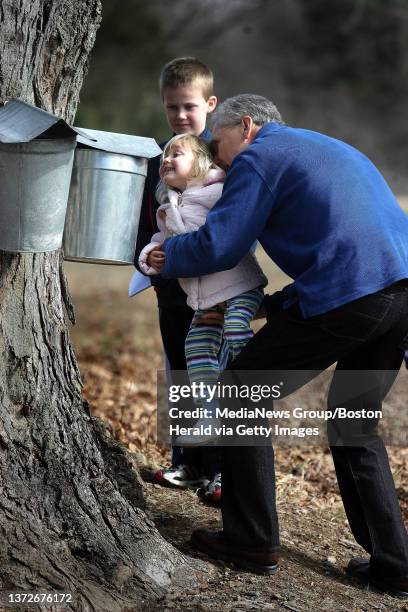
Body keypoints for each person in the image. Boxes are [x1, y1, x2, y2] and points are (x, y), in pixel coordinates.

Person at [153, 94, 408, 597]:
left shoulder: (257, 156)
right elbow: (345, 241)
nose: (217, 157)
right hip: (399, 289)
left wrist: (165, 253)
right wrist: (271, 304)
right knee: (351, 421)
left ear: (246, 127)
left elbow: (220, 245)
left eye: (218, 143)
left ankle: (250, 539)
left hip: (353, 293)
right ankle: (395, 565)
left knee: (238, 393)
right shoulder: (326, 148)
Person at [132, 57, 223, 500]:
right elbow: (145, 218)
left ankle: (222, 469)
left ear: (210, 103)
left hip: (214, 292)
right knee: (180, 375)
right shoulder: (158, 159)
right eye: (172, 108)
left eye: (189, 106)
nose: (181, 116)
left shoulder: (222, 157)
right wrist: (144, 261)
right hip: (171, 291)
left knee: (215, 376)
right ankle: (186, 462)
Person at [138, 133, 267, 447]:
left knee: (236, 330)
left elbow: (233, 227)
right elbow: (159, 241)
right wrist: (150, 257)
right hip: (205, 298)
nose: (166, 160)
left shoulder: (218, 190)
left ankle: (252, 391)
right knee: (196, 346)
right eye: (165, 155)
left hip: (238, 286)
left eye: (176, 154)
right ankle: (210, 414)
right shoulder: (168, 205)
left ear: (200, 163)